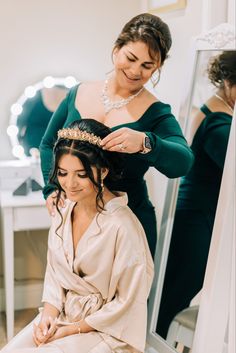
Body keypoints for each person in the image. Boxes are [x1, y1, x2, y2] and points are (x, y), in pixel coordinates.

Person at [39, 13, 194, 258]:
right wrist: (52, 189)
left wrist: (145, 143)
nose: (134, 71)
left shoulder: (156, 112)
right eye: (130, 58)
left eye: (147, 65)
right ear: (116, 50)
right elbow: (48, 143)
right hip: (77, 218)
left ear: (158, 67)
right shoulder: (77, 94)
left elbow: (183, 162)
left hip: (129, 223)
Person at [1, 119, 154, 353]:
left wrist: (74, 328)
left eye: (81, 175)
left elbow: (129, 302)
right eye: (62, 173)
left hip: (107, 329)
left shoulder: (123, 226)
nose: (69, 184)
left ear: (103, 171)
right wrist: (49, 315)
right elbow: (54, 274)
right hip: (64, 315)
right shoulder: (64, 210)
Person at [156, 51, 236, 338]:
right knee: (179, 292)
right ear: (228, 82)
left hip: (193, 214)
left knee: (175, 290)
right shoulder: (220, 125)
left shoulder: (212, 110)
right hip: (196, 219)